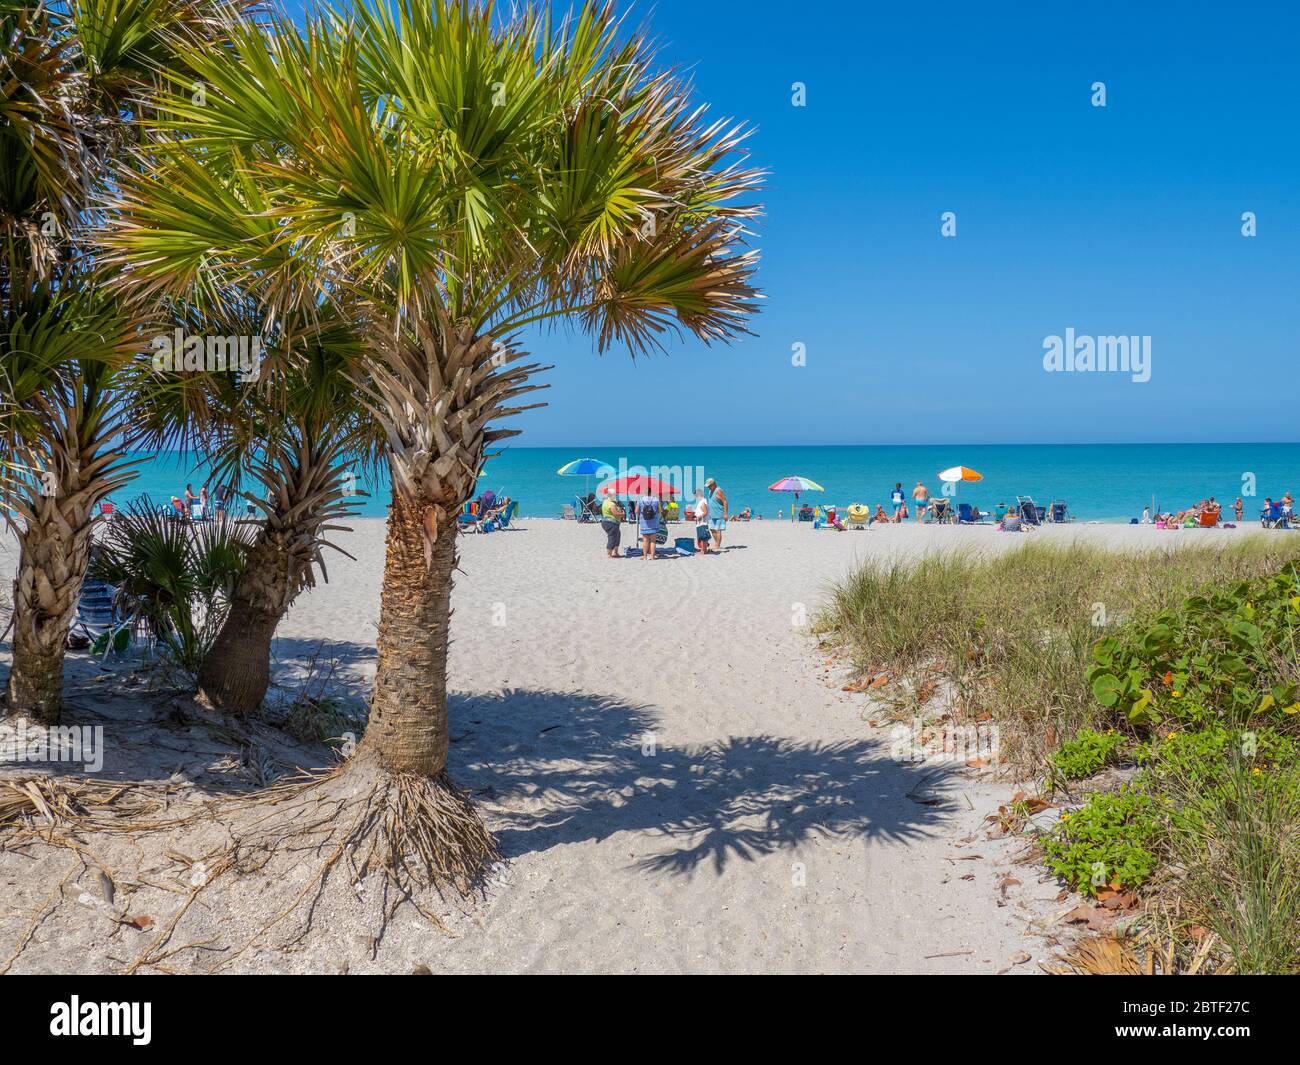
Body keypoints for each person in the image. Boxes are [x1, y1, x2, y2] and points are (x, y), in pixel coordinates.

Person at [705, 477, 728, 551]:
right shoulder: (710, 491)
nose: (708, 487)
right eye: (707, 486)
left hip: (719, 513)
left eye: (709, 486)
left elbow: (725, 501)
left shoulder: (718, 490)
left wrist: (725, 513)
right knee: (712, 529)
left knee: (718, 530)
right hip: (712, 514)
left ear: (714, 484)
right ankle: (716, 544)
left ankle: (717, 545)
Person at [637, 492, 661, 560]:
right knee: (653, 541)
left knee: (645, 540)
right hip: (654, 523)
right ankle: (653, 557)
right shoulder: (656, 499)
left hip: (644, 523)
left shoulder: (640, 500)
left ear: (644, 493)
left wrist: (641, 514)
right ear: (651, 492)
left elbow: (636, 511)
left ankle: (644, 556)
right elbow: (660, 510)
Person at [600, 493, 624, 558]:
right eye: (615, 496)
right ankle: (609, 554)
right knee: (612, 537)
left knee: (617, 535)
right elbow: (615, 513)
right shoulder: (611, 504)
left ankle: (615, 552)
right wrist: (622, 514)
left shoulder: (605, 501)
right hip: (611, 522)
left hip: (606, 521)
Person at [692, 488, 710, 554]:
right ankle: (703, 550)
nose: (695, 497)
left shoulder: (702, 502)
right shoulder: (702, 502)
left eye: (695, 495)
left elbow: (705, 512)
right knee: (702, 537)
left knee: (703, 537)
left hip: (702, 522)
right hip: (700, 522)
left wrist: (697, 518)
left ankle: (704, 551)